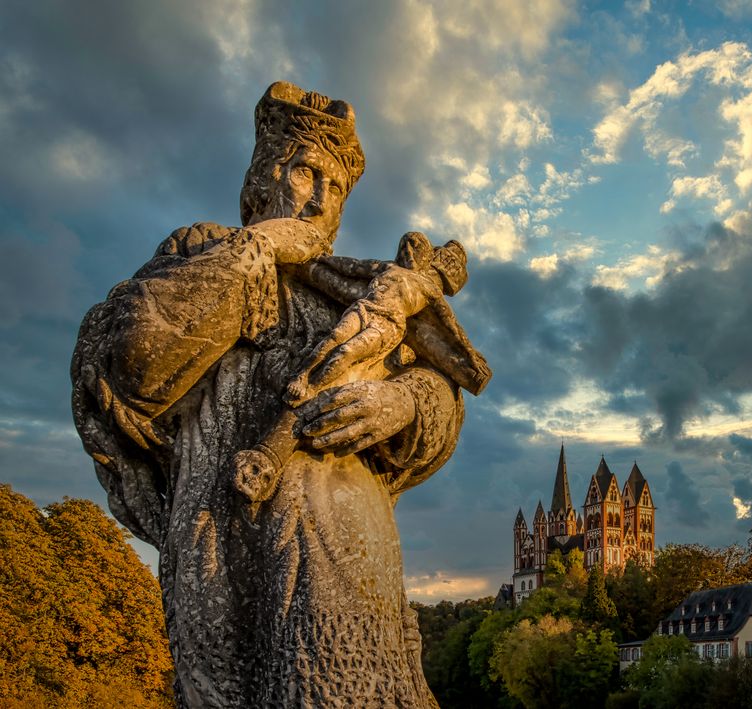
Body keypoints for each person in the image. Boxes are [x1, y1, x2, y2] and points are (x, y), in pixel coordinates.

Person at [71, 82, 477, 707]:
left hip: (347, 552)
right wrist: (258, 251)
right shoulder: (201, 253)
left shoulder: (350, 288)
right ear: (262, 181)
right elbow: (135, 368)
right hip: (224, 551)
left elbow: (438, 396)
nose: (319, 201)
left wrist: (401, 406)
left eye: (335, 188)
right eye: (306, 174)